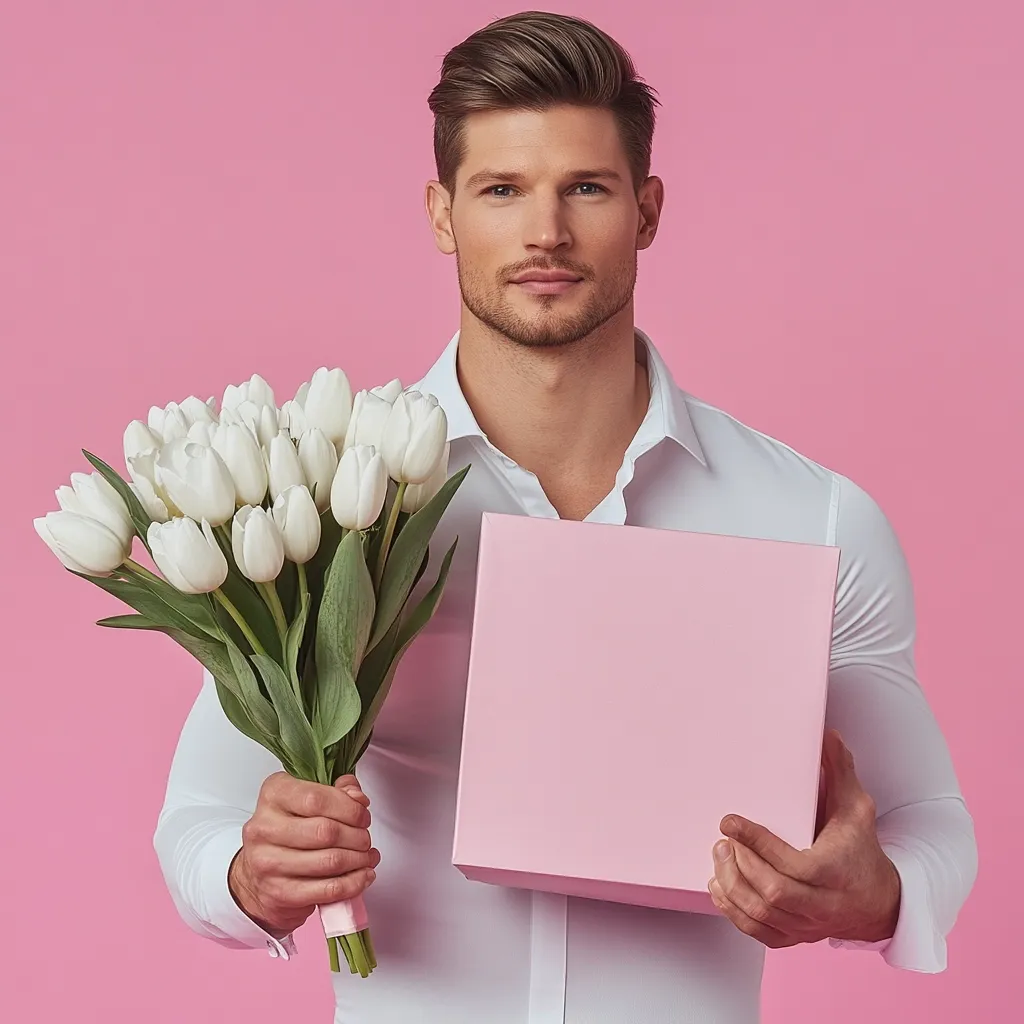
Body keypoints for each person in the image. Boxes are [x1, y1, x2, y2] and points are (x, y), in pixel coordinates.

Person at [154, 11, 977, 1023]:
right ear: (443, 213)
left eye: (585, 187)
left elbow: (928, 821)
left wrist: (880, 895)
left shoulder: (813, 516)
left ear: (647, 208)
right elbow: (195, 824)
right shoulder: (328, 511)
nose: (544, 231)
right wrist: (249, 876)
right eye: (502, 190)